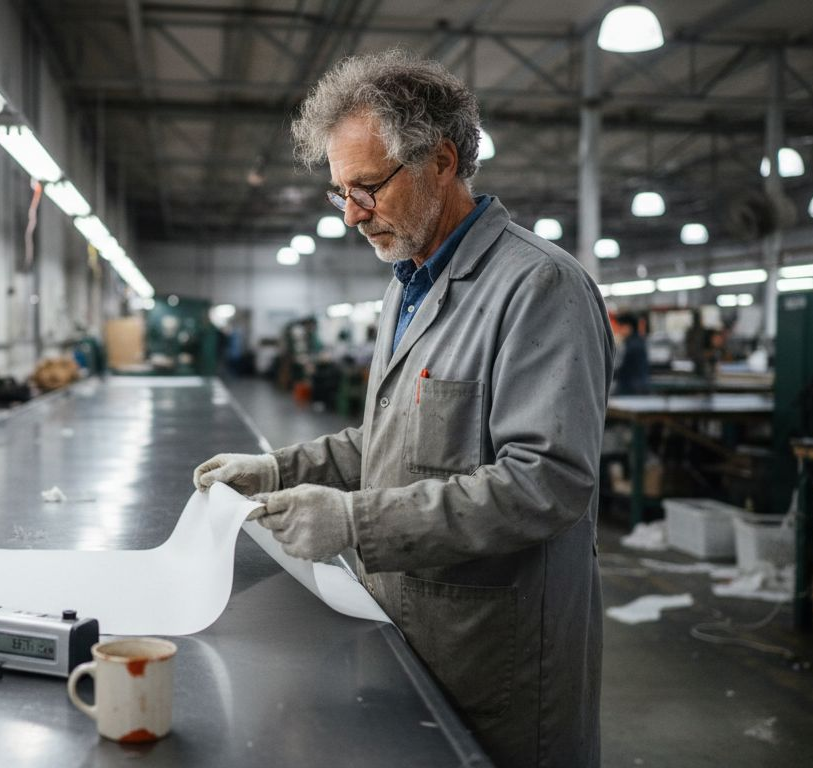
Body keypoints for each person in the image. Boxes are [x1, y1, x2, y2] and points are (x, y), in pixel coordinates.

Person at [192, 49, 613, 767]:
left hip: (498, 656)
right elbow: (389, 440)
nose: (353, 215)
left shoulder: (538, 287)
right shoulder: (407, 285)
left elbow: (547, 484)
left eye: (368, 188)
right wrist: (277, 469)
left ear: (441, 162)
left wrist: (355, 523)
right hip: (407, 630)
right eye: (340, 193)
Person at [613, 313, 651, 395]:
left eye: (621, 327)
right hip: (638, 387)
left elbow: (619, 367)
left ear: (629, 327)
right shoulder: (636, 341)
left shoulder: (632, 345)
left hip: (632, 389)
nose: (619, 330)